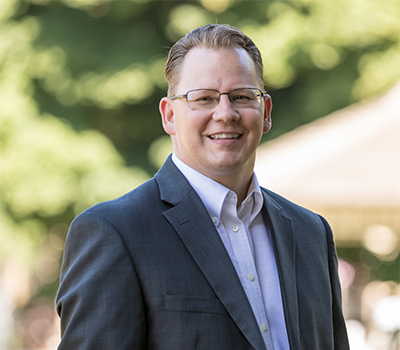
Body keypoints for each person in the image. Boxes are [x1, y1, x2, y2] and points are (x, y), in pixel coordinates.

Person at [56, 24, 349, 350]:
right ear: (169, 116)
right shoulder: (115, 232)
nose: (225, 113)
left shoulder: (312, 234)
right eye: (204, 99)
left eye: (241, 96)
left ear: (265, 113)